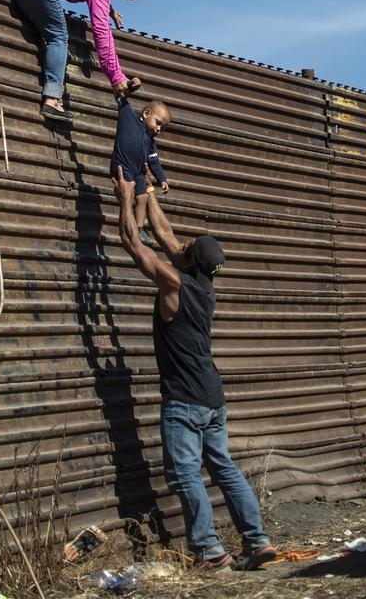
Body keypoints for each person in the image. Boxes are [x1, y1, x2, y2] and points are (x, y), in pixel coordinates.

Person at [112, 167, 277, 571]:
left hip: (185, 401)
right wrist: (148, 190)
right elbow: (166, 235)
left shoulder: (174, 285)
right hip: (212, 399)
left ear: (188, 261)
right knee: (223, 466)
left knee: (185, 474)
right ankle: (258, 542)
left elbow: (135, 244)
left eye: (187, 245)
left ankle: (208, 551)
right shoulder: (203, 285)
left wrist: (123, 195)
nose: (179, 242)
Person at [0, 0, 139, 124]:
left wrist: (108, 8)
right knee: (58, 36)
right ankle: (52, 99)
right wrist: (116, 76)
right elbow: (101, 31)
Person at [111, 85, 171, 247]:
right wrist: (130, 86)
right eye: (158, 123)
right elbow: (120, 97)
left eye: (163, 128)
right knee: (128, 194)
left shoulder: (151, 142)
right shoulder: (129, 117)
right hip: (123, 167)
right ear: (146, 114)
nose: (159, 129)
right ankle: (128, 227)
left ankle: (139, 228)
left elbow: (154, 162)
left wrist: (162, 178)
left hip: (138, 171)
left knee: (143, 197)